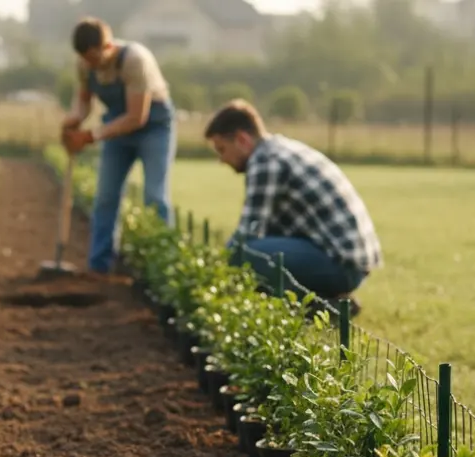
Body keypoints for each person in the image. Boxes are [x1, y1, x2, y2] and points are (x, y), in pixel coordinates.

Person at [204, 99, 382, 315]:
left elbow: (247, 234)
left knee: (245, 254)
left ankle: (321, 308)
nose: (221, 160)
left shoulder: (265, 161)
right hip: (348, 261)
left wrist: (212, 279)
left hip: (340, 264)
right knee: (253, 254)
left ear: (242, 139)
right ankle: (324, 301)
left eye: (222, 149)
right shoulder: (278, 149)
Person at [60, 17, 176, 275]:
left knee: (155, 196)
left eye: (95, 58)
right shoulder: (84, 65)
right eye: (86, 60)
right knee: (105, 197)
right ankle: (98, 268)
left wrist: (91, 136)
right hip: (115, 127)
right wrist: (73, 121)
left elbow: (137, 117)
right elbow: (83, 101)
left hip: (153, 127)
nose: (92, 65)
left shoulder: (135, 60)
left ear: (108, 46)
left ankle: (164, 268)